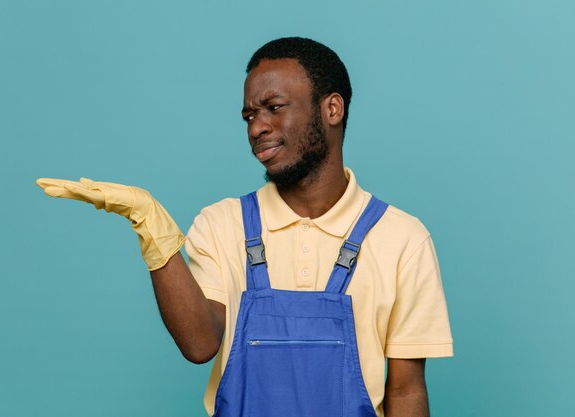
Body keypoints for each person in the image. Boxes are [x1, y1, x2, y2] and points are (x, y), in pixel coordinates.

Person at [37, 37, 453, 417]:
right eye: (249, 116)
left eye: (274, 108)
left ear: (332, 109)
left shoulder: (402, 239)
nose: (257, 128)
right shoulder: (223, 224)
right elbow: (200, 345)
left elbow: (405, 392)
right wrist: (150, 225)